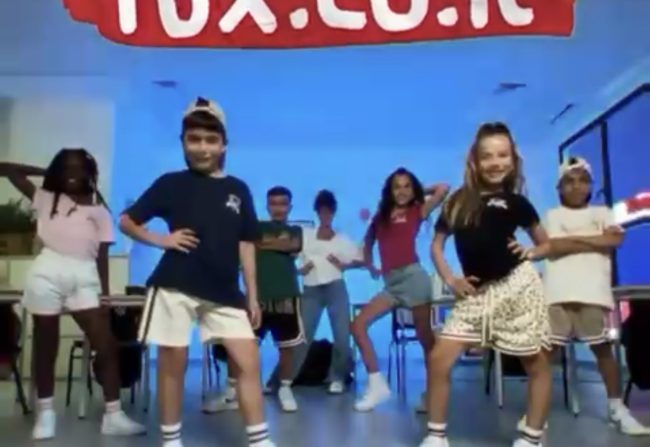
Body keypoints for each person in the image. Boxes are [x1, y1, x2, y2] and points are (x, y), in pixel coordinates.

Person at [119, 98, 276, 447]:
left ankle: (260, 440)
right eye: (194, 139)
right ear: (183, 142)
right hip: (175, 285)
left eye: (210, 140)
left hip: (224, 290)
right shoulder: (170, 183)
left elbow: (247, 244)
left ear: (223, 145)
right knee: (173, 364)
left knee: (248, 361)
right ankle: (171, 441)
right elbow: (127, 221)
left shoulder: (238, 189)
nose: (202, 147)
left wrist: (252, 295)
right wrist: (161, 239)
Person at [422, 122, 553, 447]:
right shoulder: (457, 201)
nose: (496, 162)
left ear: (513, 159)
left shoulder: (517, 202)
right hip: (475, 294)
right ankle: (436, 436)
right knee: (439, 358)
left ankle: (533, 436)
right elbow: (436, 246)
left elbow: (546, 244)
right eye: (487, 156)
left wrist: (531, 252)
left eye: (503, 155)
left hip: (517, 286)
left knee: (536, 361)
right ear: (475, 161)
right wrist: (450, 279)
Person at [0, 152, 146, 441]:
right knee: (46, 343)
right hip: (47, 271)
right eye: (66, 168)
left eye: (79, 168)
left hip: (85, 275)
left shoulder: (100, 212)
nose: (72, 173)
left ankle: (113, 415)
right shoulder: (45, 198)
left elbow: (102, 256)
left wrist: (105, 295)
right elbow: (5, 169)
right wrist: (46, 171)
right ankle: (46, 414)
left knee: (106, 344)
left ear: (90, 173)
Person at [533, 156, 649, 435]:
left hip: (592, 293)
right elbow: (549, 247)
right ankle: (535, 414)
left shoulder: (603, 213)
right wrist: (592, 240)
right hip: (557, 294)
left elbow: (614, 239)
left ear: (590, 185)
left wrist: (571, 241)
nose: (576, 187)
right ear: (559, 187)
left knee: (603, 351)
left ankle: (617, 410)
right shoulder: (551, 216)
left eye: (583, 181)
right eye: (570, 181)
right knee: (545, 354)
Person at [351, 167, 449, 412]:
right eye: (397, 187)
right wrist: (371, 266)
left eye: (407, 186)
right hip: (392, 284)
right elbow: (368, 242)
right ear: (389, 191)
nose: (402, 191)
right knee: (358, 325)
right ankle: (377, 385)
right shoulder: (380, 217)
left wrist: (418, 191)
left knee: (426, 340)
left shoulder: (417, 210)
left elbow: (443, 189)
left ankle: (433, 393)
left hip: (413, 278)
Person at [204, 186, 305, 414]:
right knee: (240, 346)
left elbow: (293, 244)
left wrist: (260, 242)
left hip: (287, 296)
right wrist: (273, 242)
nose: (278, 208)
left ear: (290, 207)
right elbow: (245, 240)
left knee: (288, 347)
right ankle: (231, 393)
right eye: (274, 203)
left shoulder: (295, 230)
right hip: (256, 299)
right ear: (267, 205)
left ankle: (284, 388)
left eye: (283, 204)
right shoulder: (256, 227)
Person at [295, 189, 364, 394]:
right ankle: (284, 379)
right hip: (311, 289)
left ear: (333, 213)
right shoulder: (306, 236)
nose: (325, 215)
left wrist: (344, 265)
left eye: (329, 212)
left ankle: (337, 377)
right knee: (302, 336)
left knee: (342, 335)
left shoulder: (341, 239)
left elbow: (361, 260)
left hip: (335, 287)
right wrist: (300, 269)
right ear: (317, 212)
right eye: (322, 211)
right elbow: (291, 258)